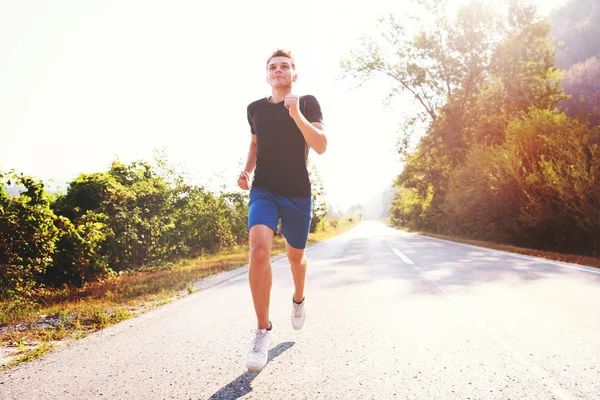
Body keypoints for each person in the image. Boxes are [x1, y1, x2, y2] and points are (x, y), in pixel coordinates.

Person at [237, 49, 327, 371]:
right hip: (264, 189)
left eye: (285, 66)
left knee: (295, 257)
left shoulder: (307, 102)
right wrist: (247, 170)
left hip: (297, 193)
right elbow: (254, 144)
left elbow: (320, 145)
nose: (279, 70)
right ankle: (263, 329)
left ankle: (299, 299)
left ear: (294, 74)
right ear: (267, 75)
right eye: (273, 67)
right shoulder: (255, 109)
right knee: (259, 250)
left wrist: (296, 115)